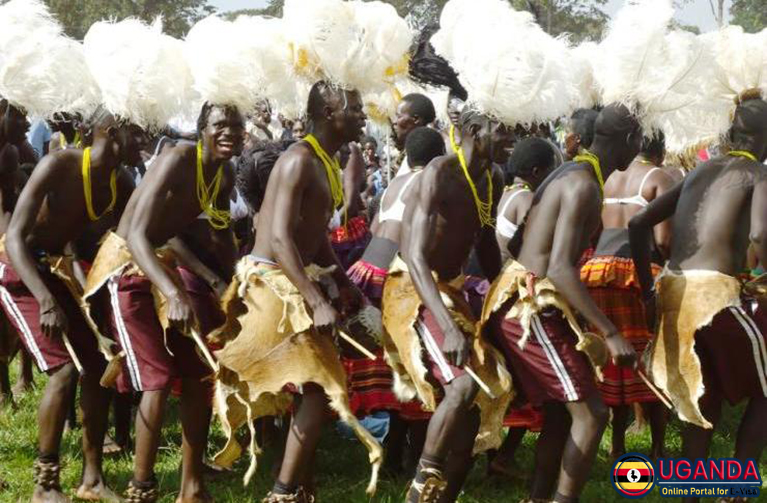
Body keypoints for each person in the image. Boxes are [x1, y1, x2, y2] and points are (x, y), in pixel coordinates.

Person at [211, 82, 382, 503]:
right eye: (354, 108)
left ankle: (298, 485)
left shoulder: (326, 160)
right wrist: (316, 297)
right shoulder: (297, 160)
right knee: (319, 384)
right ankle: (284, 493)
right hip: (271, 278)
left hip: (293, 276)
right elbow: (281, 238)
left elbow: (315, 235)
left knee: (314, 385)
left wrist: (342, 282)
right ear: (327, 111)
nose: (362, 115)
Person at [79, 103, 243, 503]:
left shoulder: (224, 173)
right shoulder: (179, 157)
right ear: (202, 129)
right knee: (156, 378)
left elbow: (218, 238)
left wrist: (237, 282)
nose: (229, 134)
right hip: (125, 267)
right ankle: (142, 489)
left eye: (236, 128)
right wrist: (174, 293)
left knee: (197, 373)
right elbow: (135, 234)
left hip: (162, 268)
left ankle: (192, 488)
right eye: (220, 125)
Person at [481, 104, 641, 503]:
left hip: (526, 296)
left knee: (559, 411)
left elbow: (520, 242)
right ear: (626, 142)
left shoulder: (569, 171)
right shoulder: (583, 183)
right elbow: (562, 269)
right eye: (637, 139)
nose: (640, 147)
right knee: (592, 415)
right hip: (530, 305)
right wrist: (609, 331)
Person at [629, 92, 767, 503]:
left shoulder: (699, 172)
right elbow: (760, 234)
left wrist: (647, 291)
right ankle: (736, 492)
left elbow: (639, 224)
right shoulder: (757, 173)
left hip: (672, 290)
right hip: (713, 296)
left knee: (704, 400)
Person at [2, 107, 140, 503]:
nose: (145, 143)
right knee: (63, 371)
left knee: (97, 368)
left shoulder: (121, 180)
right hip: (19, 268)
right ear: (112, 133)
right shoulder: (59, 164)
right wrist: (46, 300)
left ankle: (92, 478)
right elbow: (14, 239)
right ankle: (45, 485)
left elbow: (123, 240)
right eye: (138, 134)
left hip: (57, 270)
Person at [383, 109, 514, 503]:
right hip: (413, 287)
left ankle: (444, 495)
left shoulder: (491, 177)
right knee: (461, 384)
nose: (510, 138)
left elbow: (487, 242)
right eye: (502, 128)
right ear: (474, 131)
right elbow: (416, 257)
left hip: (451, 291)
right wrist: (449, 324)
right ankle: (420, 490)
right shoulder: (438, 172)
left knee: (474, 408)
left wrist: (503, 293)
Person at [344, 126, 445, 473]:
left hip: (367, 271)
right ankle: (415, 458)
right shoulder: (426, 184)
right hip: (394, 277)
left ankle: (394, 455)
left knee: (396, 370)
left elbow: (376, 230)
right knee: (416, 365)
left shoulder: (395, 185)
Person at [580, 130, 674, 461]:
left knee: (614, 359)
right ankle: (659, 448)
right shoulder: (658, 177)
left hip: (596, 272)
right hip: (638, 274)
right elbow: (663, 241)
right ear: (660, 150)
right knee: (652, 357)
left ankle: (616, 444)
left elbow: (592, 229)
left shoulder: (609, 177)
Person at [0, 99, 32, 409]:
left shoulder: (10, 151)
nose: (27, 124)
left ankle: (23, 376)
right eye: (20, 117)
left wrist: (10, 244)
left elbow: (7, 206)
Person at [496, 137, 559, 263]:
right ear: (536, 172)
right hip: (509, 275)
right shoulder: (527, 200)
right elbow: (540, 246)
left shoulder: (508, 192)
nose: (553, 176)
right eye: (552, 170)